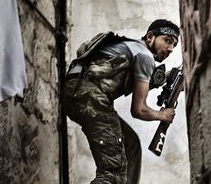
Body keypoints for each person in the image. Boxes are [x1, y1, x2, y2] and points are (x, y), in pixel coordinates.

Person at [64, 19, 180, 184]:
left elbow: (136, 80)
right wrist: (163, 116)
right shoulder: (145, 55)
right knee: (112, 173)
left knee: (130, 145)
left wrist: (168, 77)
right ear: (150, 37)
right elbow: (139, 110)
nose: (170, 48)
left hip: (78, 95)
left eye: (174, 44)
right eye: (167, 41)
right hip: (91, 98)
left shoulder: (134, 48)